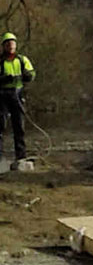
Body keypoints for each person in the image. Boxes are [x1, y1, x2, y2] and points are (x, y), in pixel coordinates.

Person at [0, 32, 35, 167]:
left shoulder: (22, 60)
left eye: (12, 43)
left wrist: (28, 76)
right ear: (4, 46)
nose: (11, 46)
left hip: (17, 95)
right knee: (0, 126)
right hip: (2, 96)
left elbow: (32, 73)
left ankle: (21, 157)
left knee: (19, 126)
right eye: (8, 44)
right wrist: (3, 79)